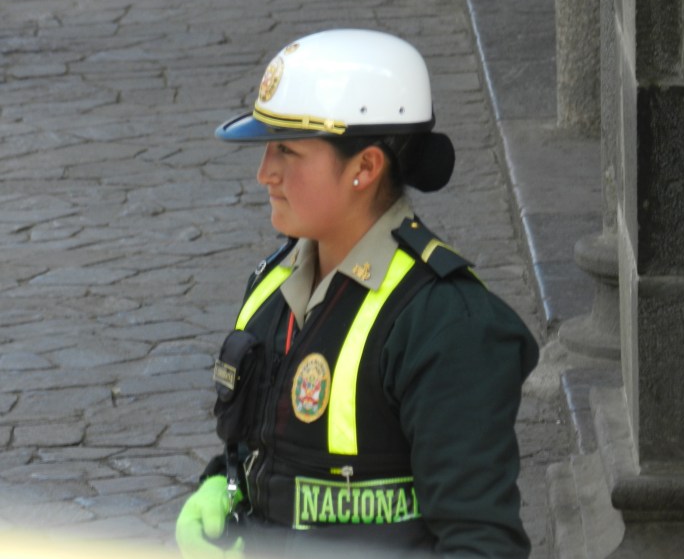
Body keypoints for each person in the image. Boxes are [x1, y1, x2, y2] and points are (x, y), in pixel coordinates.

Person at [175, 29, 539, 558]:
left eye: (287, 151)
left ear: (365, 168)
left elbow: (481, 543)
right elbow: (270, 451)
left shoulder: (447, 325)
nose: (264, 174)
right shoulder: (276, 283)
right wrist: (222, 485)